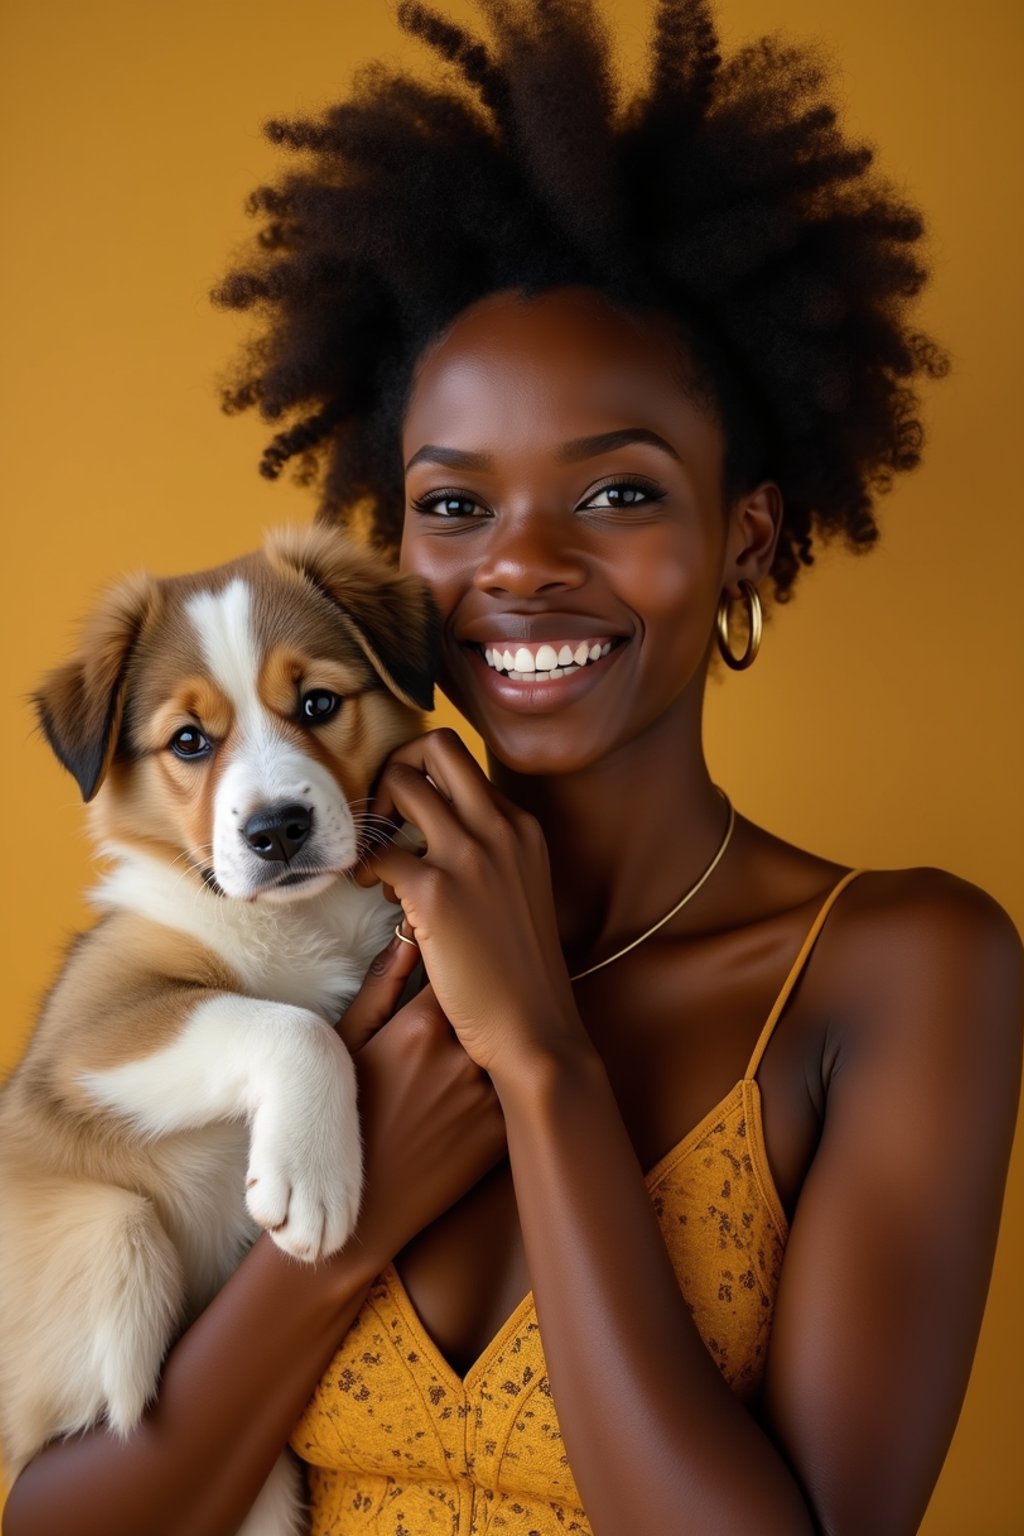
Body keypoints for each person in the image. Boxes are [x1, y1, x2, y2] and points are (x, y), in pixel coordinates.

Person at [4, 2, 1021, 1533]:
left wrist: (542, 1063)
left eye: (616, 489)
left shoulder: (905, 968)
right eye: (454, 505)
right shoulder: (289, 965)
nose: (521, 569)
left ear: (744, 532)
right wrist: (346, 1235)